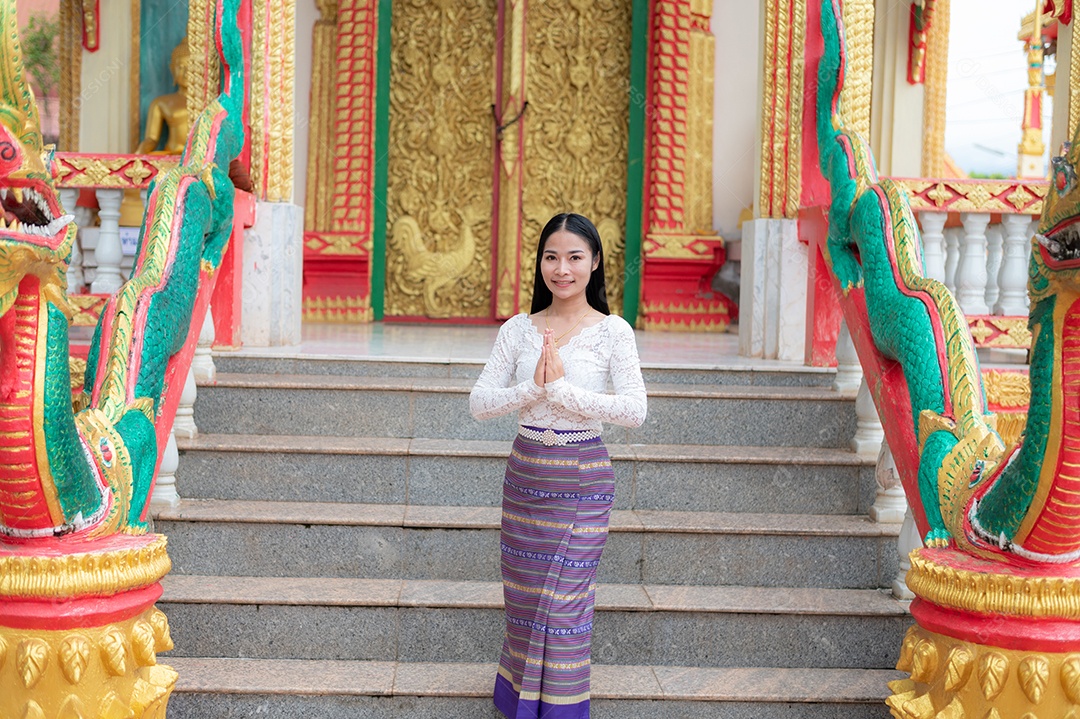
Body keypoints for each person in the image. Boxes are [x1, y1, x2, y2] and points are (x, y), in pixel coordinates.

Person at [470, 212, 647, 719]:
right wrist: (534, 389)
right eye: (552, 257)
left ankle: (562, 712)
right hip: (526, 476)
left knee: (565, 607)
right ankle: (519, 705)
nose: (561, 268)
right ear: (540, 264)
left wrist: (564, 391)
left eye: (574, 257)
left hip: (583, 479)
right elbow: (480, 402)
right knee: (525, 602)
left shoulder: (614, 331)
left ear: (594, 263)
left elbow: (635, 410)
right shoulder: (518, 330)